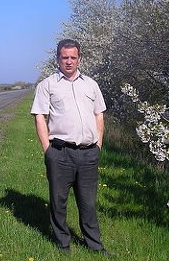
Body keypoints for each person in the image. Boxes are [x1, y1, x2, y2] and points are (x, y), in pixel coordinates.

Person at [31, 39, 109, 257]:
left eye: (73, 57)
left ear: (79, 59)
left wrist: (98, 144)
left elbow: (98, 114)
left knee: (88, 203)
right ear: (57, 58)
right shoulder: (47, 85)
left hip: (88, 153)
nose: (69, 61)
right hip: (60, 153)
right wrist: (47, 150)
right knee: (58, 201)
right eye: (64, 57)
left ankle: (94, 245)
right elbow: (39, 116)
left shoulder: (91, 84)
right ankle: (63, 244)